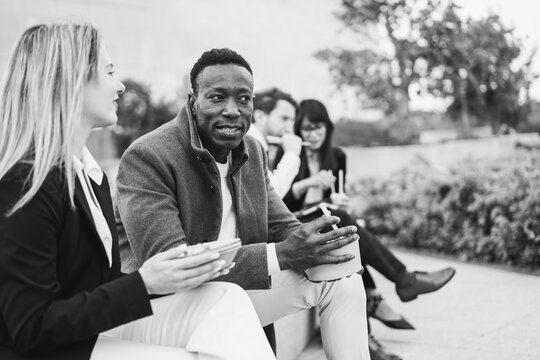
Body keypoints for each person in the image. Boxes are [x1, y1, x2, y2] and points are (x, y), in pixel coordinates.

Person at [0, 23, 277, 360]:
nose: (119, 86)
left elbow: (94, 285)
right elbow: (31, 328)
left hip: (92, 328)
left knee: (225, 298)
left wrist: (171, 274)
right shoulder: (24, 184)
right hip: (49, 349)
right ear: (71, 79)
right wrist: (145, 282)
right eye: (109, 71)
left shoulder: (90, 175)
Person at [116, 48, 371, 359]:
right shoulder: (149, 155)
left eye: (243, 98)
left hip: (230, 290)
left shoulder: (251, 149)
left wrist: (319, 241)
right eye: (217, 97)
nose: (233, 110)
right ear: (193, 101)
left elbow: (280, 224)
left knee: (342, 278)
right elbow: (170, 262)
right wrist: (280, 255)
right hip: (163, 306)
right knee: (229, 301)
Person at [280, 99, 456, 360]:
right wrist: (308, 183)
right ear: (298, 129)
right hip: (296, 222)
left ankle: (369, 333)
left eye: (318, 128)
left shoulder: (337, 156)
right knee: (346, 225)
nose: (312, 135)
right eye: (306, 129)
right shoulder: (289, 155)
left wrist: (342, 200)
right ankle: (402, 282)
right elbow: (279, 202)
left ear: (328, 129)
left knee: (349, 228)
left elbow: (338, 194)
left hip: (327, 216)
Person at [247, 87, 303, 197]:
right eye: (284, 119)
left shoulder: (256, 144)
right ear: (260, 117)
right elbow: (270, 196)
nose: (289, 129)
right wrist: (292, 155)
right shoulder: (249, 145)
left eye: (292, 121)